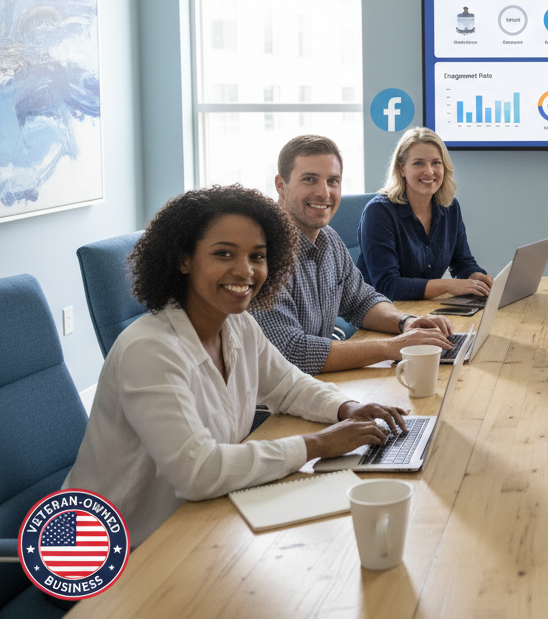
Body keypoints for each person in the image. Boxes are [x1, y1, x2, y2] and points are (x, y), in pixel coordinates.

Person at [63, 185, 408, 548]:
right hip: (112, 551)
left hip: (195, 525)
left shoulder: (237, 324)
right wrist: (318, 444)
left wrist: (346, 408)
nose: (245, 271)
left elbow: (288, 385)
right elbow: (198, 470)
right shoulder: (149, 350)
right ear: (184, 260)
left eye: (257, 256)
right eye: (224, 253)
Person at [252, 135, 454, 374]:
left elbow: (361, 301)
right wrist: (393, 347)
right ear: (280, 184)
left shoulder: (329, 239)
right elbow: (292, 353)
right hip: (267, 405)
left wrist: (406, 322)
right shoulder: (260, 254)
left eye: (333, 181)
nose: (324, 193)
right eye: (309, 179)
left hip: (309, 387)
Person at [357, 127, 492, 301]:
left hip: (425, 308)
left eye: (436, 162)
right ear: (402, 169)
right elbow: (388, 286)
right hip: (382, 311)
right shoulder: (379, 212)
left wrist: (477, 278)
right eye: (418, 163)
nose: (429, 171)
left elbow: (462, 262)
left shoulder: (449, 207)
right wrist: (447, 285)